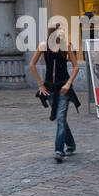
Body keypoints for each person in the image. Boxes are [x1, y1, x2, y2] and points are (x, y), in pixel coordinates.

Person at [30, 22, 81, 163]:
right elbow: (32, 64)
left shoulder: (66, 46)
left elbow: (76, 66)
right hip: (49, 87)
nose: (62, 31)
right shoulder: (43, 45)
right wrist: (40, 84)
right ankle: (70, 144)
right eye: (60, 29)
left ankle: (59, 150)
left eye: (63, 29)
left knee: (61, 116)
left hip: (63, 86)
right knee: (61, 118)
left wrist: (69, 83)